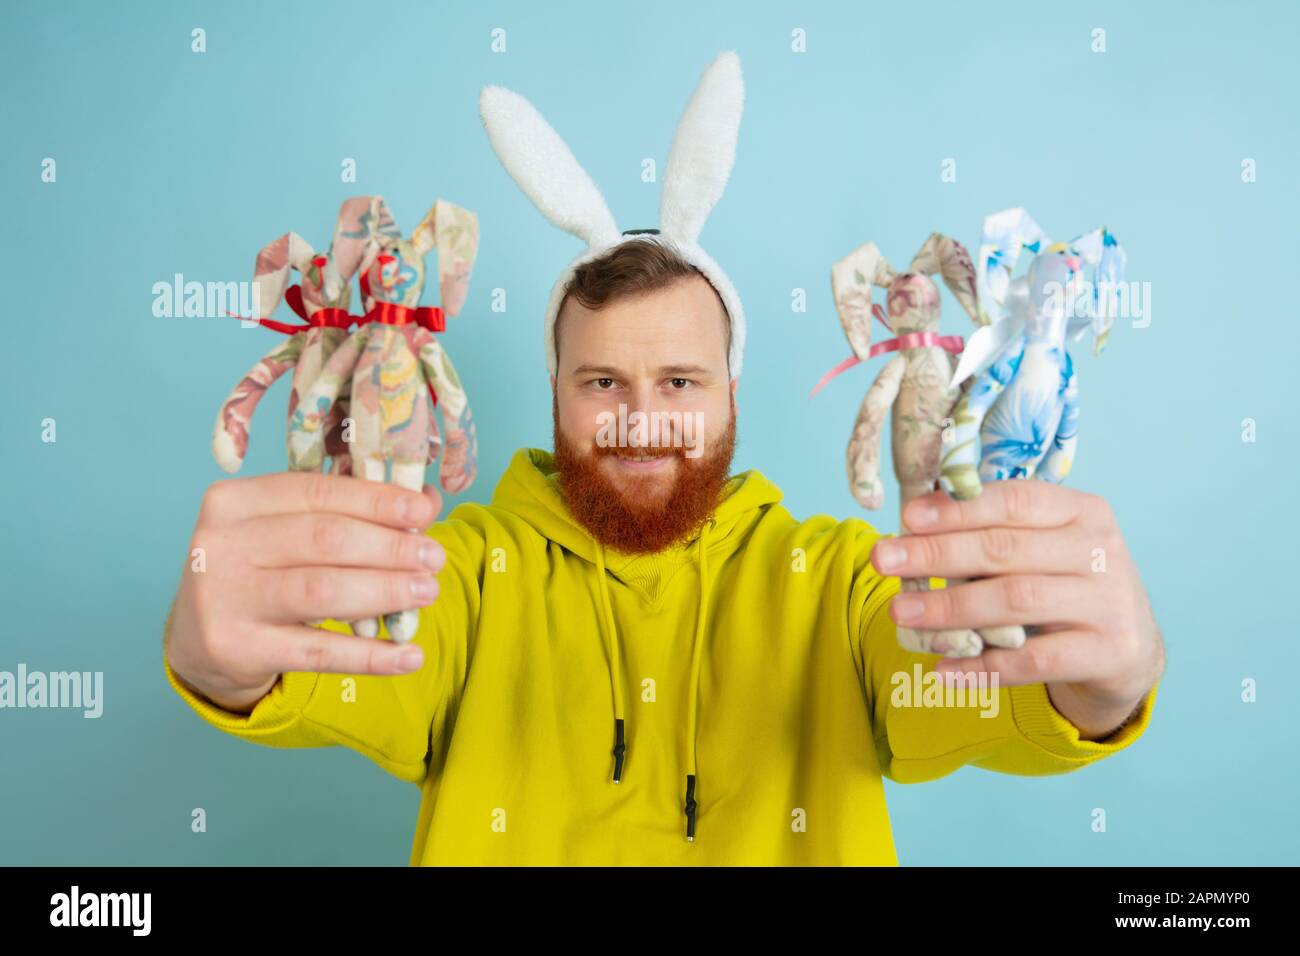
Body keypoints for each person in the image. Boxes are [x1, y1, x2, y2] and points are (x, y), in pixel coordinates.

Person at [163, 53, 1164, 865]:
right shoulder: (453, 577)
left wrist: (1102, 684)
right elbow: (321, 671)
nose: (642, 419)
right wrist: (219, 658)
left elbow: (991, 689)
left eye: (679, 382)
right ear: (553, 390)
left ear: (733, 391)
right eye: (602, 382)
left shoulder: (840, 587)